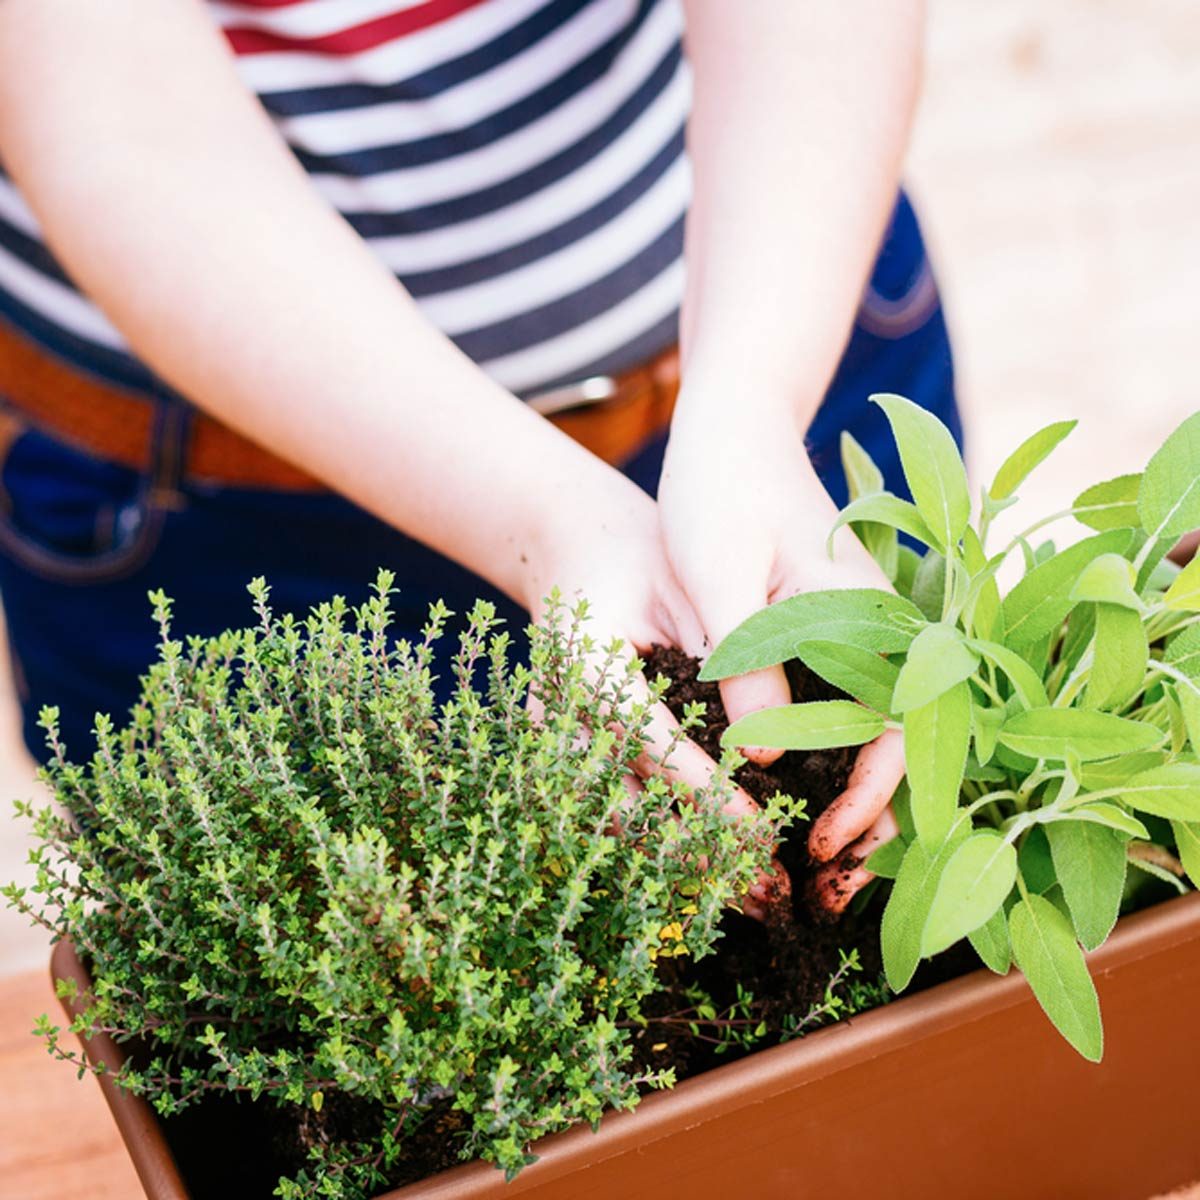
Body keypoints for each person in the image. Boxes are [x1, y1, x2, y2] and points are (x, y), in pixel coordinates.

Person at [0, 0, 959, 916]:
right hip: (232, 521)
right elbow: (118, 124)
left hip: (780, 315)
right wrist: (548, 517)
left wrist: (753, 407)